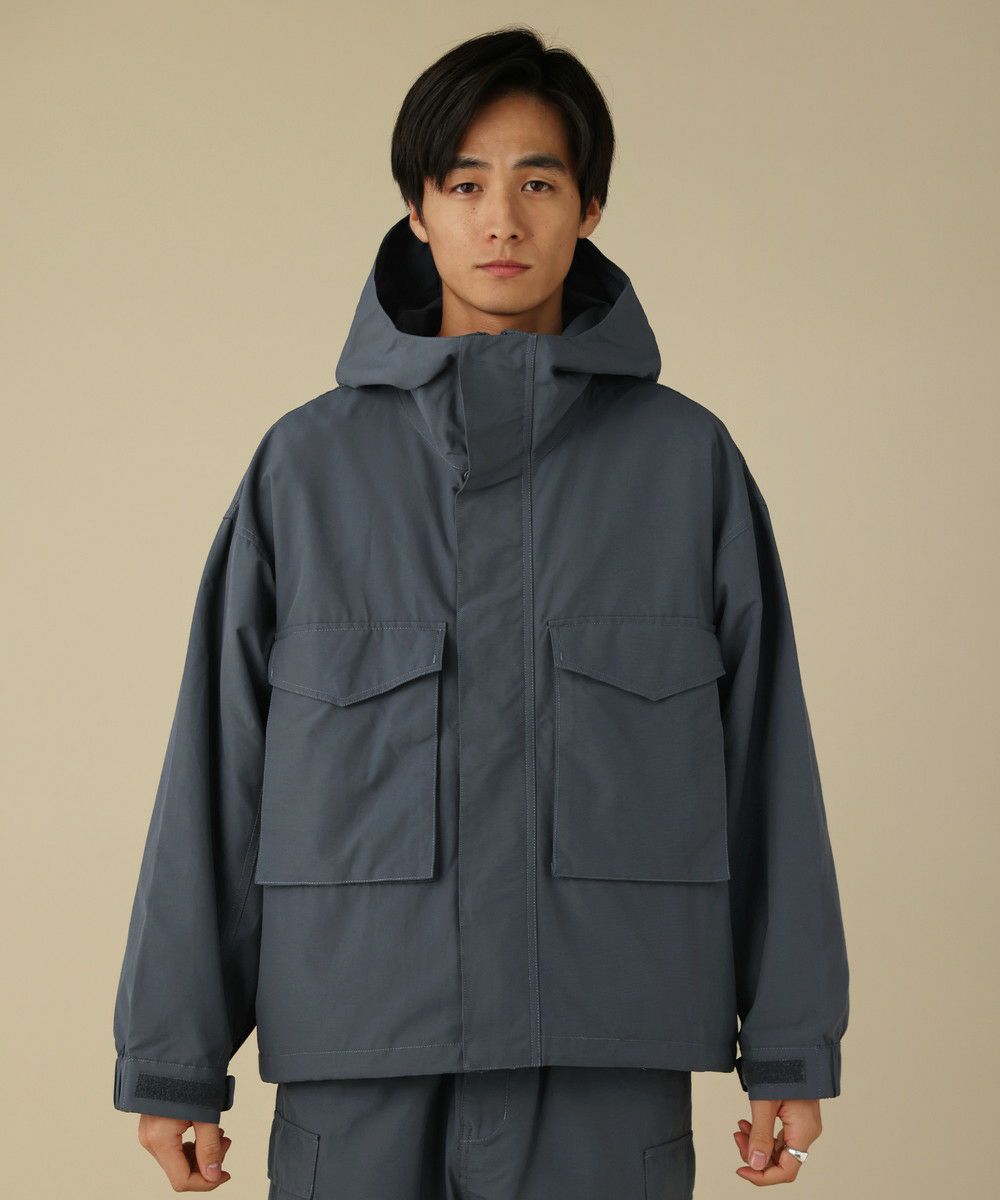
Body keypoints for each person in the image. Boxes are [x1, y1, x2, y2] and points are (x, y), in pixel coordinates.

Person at [112, 25, 849, 1198]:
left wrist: (792, 1044)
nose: (500, 219)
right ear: (418, 209)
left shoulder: (684, 466)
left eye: (537, 183)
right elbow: (219, 771)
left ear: (589, 208)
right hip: (361, 1058)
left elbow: (766, 765)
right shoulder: (306, 469)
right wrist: (174, 1059)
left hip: (605, 1059)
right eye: (464, 185)